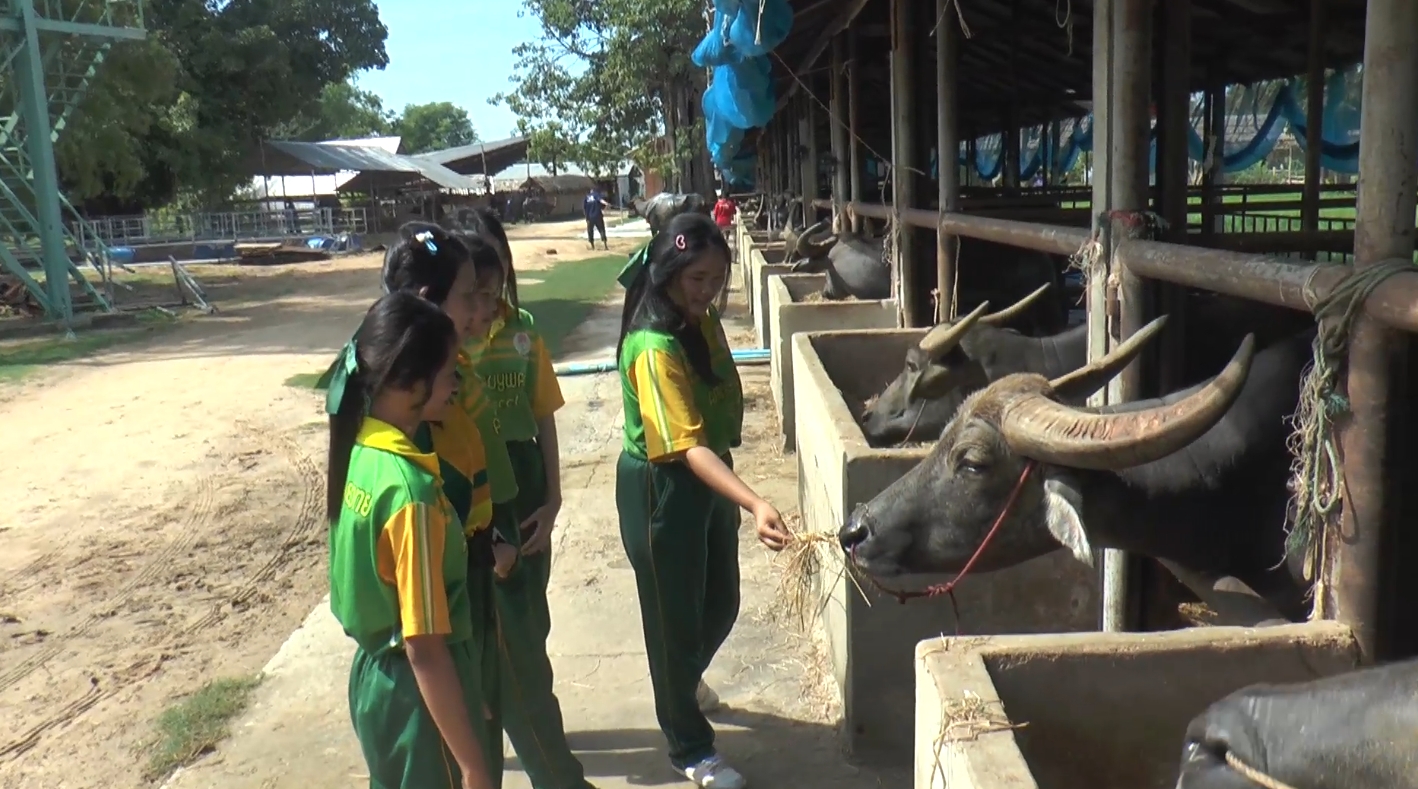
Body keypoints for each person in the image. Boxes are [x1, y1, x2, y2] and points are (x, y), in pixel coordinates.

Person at [613, 212, 790, 789]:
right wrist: (756, 502)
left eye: (717, 278)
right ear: (667, 274)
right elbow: (683, 447)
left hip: (711, 476)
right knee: (672, 624)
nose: (709, 290)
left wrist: (737, 494)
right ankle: (689, 746)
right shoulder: (652, 345)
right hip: (664, 487)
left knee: (723, 601)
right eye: (697, 279)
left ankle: (681, 682)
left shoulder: (700, 319)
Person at [327, 291, 509, 789]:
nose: (457, 381)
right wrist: (473, 764)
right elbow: (424, 648)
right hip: (418, 698)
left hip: (377, 685)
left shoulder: (360, 450)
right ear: (410, 381)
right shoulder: (412, 494)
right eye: (450, 370)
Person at [456, 208, 596, 789]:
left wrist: (556, 496)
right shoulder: (446, 351)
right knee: (506, 652)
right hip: (476, 502)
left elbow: (542, 415)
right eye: (473, 289)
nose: (485, 298)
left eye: (493, 274)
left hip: (521, 488)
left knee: (527, 624)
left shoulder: (522, 329)